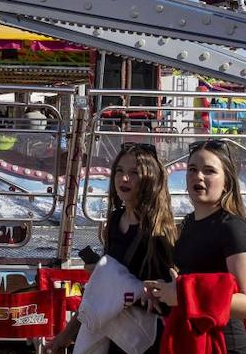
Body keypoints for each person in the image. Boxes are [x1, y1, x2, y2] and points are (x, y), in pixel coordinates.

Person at [50, 142, 179, 354]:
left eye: (134, 173)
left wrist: (114, 280)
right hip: (113, 334)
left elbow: (165, 304)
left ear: (150, 179)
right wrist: (104, 275)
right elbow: (101, 289)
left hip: (142, 339)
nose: (124, 178)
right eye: (119, 171)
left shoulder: (158, 232)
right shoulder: (115, 219)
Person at [143, 140, 246, 354]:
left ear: (227, 182)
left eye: (209, 171)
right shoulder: (187, 224)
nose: (198, 176)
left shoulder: (233, 228)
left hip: (226, 345)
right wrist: (162, 291)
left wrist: (181, 295)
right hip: (192, 342)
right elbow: (191, 280)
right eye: (192, 170)